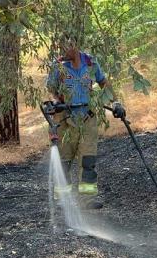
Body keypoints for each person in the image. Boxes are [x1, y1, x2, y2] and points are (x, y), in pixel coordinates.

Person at [46, 34, 124, 209]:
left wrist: (116, 102)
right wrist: (56, 102)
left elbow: (103, 83)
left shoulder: (90, 63)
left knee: (88, 160)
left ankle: (87, 199)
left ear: (75, 45)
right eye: (59, 47)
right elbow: (51, 90)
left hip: (87, 117)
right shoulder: (57, 66)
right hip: (64, 119)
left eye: (65, 47)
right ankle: (63, 200)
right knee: (64, 161)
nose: (62, 51)